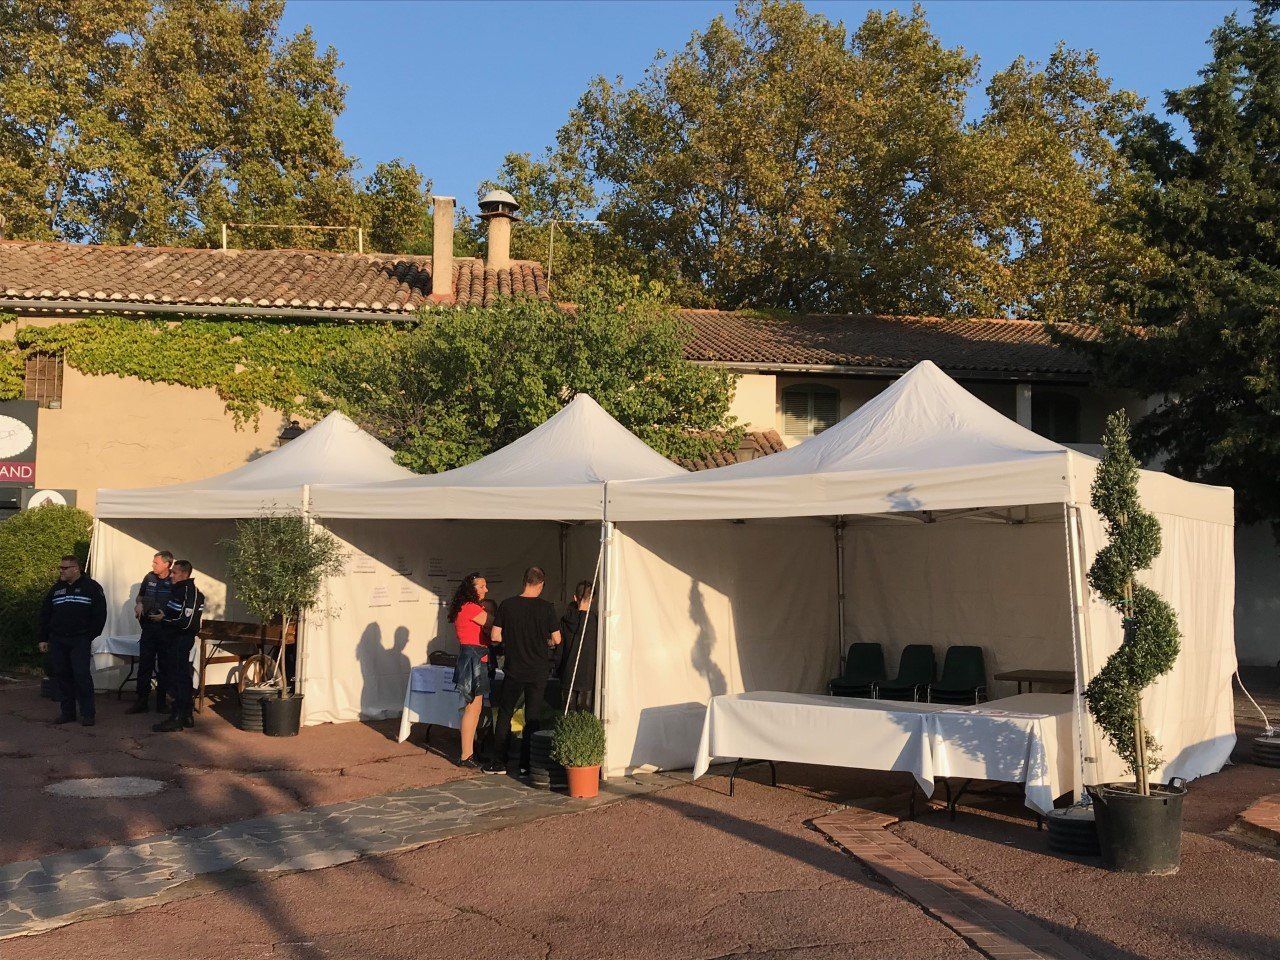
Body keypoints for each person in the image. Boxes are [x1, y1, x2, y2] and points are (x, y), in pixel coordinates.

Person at [488, 566, 561, 774]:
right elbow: (557, 639)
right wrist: (544, 641)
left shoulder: (507, 605)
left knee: (505, 712)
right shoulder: (546, 607)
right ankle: (527, 764)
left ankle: (499, 761)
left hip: (514, 668)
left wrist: (511, 639)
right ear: (541, 584)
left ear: (524, 581)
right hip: (538, 669)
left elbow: (495, 636)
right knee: (533, 716)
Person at [38, 556, 107, 727]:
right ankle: (67, 712)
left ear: (76, 568)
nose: (61, 570)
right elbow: (45, 614)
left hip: (80, 639)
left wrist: (89, 635)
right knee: (62, 675)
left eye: (65, 568)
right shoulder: (56, 589)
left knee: (81, 675)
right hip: (59, 640)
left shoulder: (91, 587)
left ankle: (88, 713)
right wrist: (43, 638)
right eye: (60, 567)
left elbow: (100, 614)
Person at [150, 560, 204, 733]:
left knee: (178, 679)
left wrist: (163, 620)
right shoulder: (178, 591)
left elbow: (187, 622)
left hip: (181, 640)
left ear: (184, 574)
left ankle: (177, 717)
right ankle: (186, 715)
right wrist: (164, 615)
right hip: (172, 639)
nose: (171, 575)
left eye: (174, 572)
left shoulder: (191, 592)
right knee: (180, 677)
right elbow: (176, 613)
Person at [447, 573, 490, 770]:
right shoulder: (471, 608)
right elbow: (492, 622)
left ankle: (469, 750)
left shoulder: (466, 607)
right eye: (481, 587)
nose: (486, 590)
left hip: (473, 656)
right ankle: (466, 754)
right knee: (473, 708)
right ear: (471, 589)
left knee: (475, 707)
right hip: (473, 657)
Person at [126, 551, 174, 715]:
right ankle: (141, 702)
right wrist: (138, 604)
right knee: (144, 666)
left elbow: (179, 606)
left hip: (165, 630)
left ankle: (161, 703)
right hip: (148, 629)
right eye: (153, 562)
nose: (152, 565)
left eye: (156, 563)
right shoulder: (149, 577)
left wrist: (166, 616)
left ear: (167, 564)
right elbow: (140, 596)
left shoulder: (174, 580)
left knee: (164, 667)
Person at [560, 580, 598, 713]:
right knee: (584, 717)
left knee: (569, 717)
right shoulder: (595, 621)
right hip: (588, 675)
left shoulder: (565, 620)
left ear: (575, 597)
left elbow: (560, 648)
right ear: (593, 599)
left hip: (568, 673)